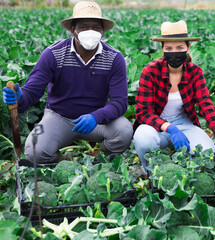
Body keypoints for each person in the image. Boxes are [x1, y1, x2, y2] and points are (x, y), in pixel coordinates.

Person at [2, 1, 133, 162]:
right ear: (73, 29)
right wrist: (19, 98)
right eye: (84, 27)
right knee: (34, 151)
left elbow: (119, 103)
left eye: (96, 27)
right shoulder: (53, 54)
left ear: (102, 31)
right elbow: (32, 91)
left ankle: (100, 160)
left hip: (96, 120)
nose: (90, 32)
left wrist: (96, 116)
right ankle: (63, 161)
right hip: (59, 117)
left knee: (124, 130)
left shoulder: (114, 58)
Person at [133, 20, 215, 173]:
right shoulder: (150, 71)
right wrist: (169, 128)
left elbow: (207, 107)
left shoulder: (195, 72)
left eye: (180, 47)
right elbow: (143, 112)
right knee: (143, 139)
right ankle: (149, 172)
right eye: (169, 48)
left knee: (208, 155)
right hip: (155, 126)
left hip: (184, 124)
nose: (174, 52)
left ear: (188, 48)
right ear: (162, 48)